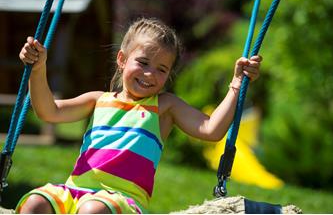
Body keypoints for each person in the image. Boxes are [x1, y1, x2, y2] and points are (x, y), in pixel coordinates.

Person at [16, 18, 262, 214]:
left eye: (161, 69)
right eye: (143, 62)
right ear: (122, 60)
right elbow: (48, 111)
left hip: (122, 202)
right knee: (35, 204)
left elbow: (211, 130)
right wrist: (38, 70)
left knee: (92, 210)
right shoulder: (98, 100)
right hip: (74, 191)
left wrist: (237, 84)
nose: (150, 74)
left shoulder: (164, 107)